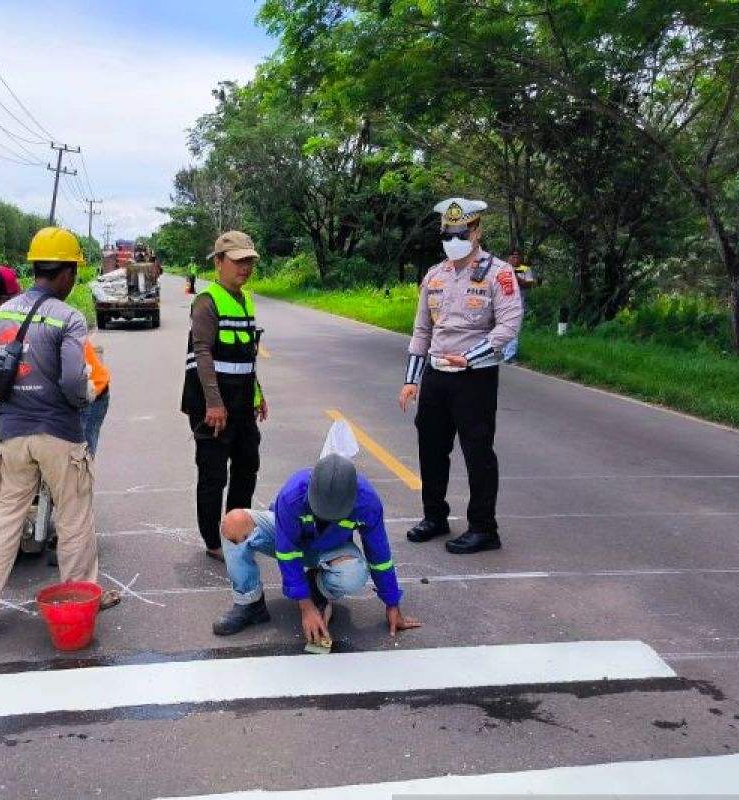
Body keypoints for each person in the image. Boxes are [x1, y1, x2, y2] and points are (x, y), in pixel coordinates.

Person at [0, 227, 117, 644]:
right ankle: (81, 598)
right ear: (64, 273)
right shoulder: (69, 318)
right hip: (59, 435)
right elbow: (71, 382)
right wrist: (89, 392)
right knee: (75, 517)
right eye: (74, 271)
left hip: (13, 436)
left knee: (4, 523)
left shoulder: (1, 316)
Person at [399, 198, 522, 555]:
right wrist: (411, 380)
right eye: (447, 233)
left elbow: (509, 326)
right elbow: (422, 331)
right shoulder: (435, 276)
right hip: (437, 376)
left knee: (477, 452)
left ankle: (484, 527)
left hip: (474, 378)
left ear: (477, 230)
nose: (454, 239)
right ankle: (434, 516)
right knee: (431, 449)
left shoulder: (499, 273)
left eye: (461, 232)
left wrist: (470, 358)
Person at [212, 454, 421, 643]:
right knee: (234, 523)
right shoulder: (292, 494)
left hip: (330, 549)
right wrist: (306, 607)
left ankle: (316, 586)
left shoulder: (367, 503)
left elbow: (379, 555)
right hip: (289, 539)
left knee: (354, 574)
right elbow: (287, 552)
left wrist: (392, 603)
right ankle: (250, 604)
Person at [181, 231, 268, 562]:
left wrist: (259, 394)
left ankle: (236, 529)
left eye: (249, 261)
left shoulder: (246, 299)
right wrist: (214, 404)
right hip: (212, 403)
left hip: (243, 401)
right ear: (218, 262)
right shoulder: (206, 301)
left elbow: (247, 354)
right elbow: (202, 353)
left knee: (248, 466)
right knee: (213, 474)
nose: (245, 267)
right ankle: (213, 542)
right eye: (237, 261)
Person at [0, 264, 111, 455]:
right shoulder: (11, 316)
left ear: (3, 299)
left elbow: (71, 380)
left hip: (89, 391)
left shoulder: (29, 314)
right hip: (67, 392)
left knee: (76, 463)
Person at [500, 249, 536, 363]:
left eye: (517, 256)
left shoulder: (526, 269)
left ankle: (510, 356)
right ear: (508, 258)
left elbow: (529, 284)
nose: (515, 259)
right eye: (512, 256)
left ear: (521, 258)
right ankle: (503, 352)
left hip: (518, 304)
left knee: (514, 329)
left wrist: (517, 278)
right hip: (502, 305)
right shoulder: (502, 268)